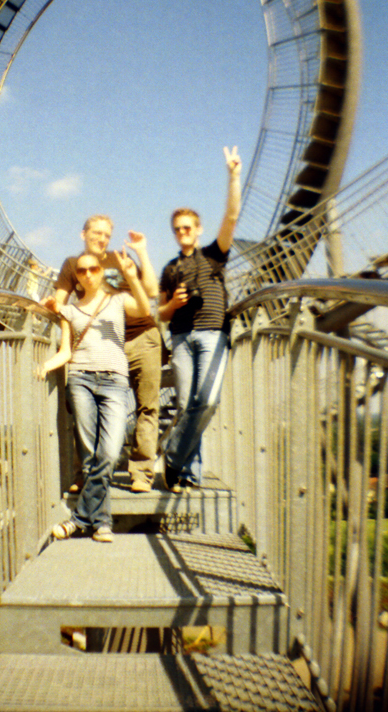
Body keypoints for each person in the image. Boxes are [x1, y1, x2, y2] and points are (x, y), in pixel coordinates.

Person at [37, 249, 151, 543]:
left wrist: (130, 275)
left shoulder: (116, 300)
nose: (88, 274)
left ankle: (77, 520)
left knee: (110, 453)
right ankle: (102, 523)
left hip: (114, 381)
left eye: (93, 269)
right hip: (81, 380)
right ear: (76, 276)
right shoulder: (70, 311)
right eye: (82, 270)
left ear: (102, 272)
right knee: (89, 457)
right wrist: (47, 364)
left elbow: (144, 309)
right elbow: (65, 350)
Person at [49, 217, 162, 493]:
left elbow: (151, 292)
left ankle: (141, 473)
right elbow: (60, 301)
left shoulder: (119, 258)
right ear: (83, 233)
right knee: (89, 410)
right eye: (96, 233)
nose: (102, 238)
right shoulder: (73, 265)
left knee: (147, 405)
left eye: (106, 235)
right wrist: (48, 304)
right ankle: (85, 474)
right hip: (103, 344)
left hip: (141, 337)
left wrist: (142, 252)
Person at [158, 146, 242, 492]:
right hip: (180, 337)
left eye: (188, 228)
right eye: (178, 229)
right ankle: (187, 475)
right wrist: (174, 304)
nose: (183, 233)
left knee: (207, 401)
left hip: (212, 335)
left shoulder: (213, 256)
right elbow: (160, 314)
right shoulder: (169, 269)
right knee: (186, 405)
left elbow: (232, 218)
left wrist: (234, 176)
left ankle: (173, 458)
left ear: (198, 228)